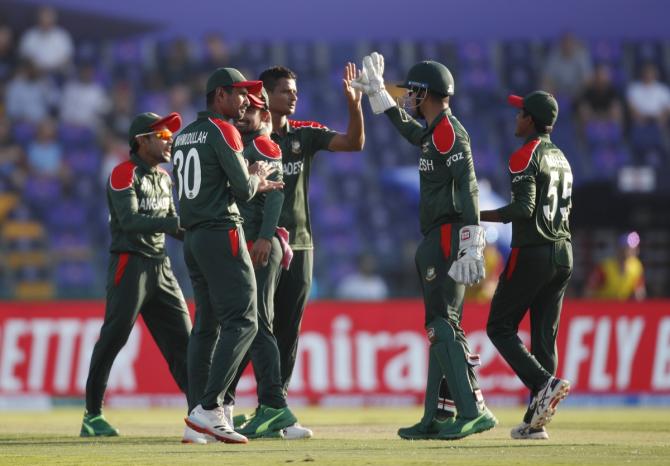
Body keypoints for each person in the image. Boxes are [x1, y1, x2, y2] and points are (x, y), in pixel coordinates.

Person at [353, 52, 496, 440]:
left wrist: (471, 239)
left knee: (441, 325)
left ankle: (471, 409)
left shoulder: (449, 130)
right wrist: (380, 99)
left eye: (412, 92)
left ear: (428, 94)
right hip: (440, 235)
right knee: (443, 326)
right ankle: (437, 415)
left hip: (448, 235)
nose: (408, 98)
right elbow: (413, 134)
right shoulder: (435, 131)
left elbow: (467, 184)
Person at [249, 63, 364, 439]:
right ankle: (249, 403)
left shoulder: (305, 134)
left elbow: (353, 144)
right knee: (256, 324)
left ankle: (274, 407)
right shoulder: (249, 138)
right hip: (262, 244)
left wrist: (354, 106)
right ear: (266, 96)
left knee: (289, 330)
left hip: (301, 244)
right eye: (285, 90)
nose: (294, 95)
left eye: (295, 90)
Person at [175, 67, 283, 444]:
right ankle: (210, 408)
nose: (245, 102)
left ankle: (195, 417)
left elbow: (202, 184)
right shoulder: (225, 130)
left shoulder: (183, 135)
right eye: (239, 94)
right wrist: (255, 176)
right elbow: (244, 189)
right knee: (245, 321)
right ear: (220, 95)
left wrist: (247, 177)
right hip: (223, 233)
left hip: (193, 239)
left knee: (206, 326)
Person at [81, 111, 191, 437]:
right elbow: (128, 221)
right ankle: (92, 415)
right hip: (130, 266)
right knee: (114, 339)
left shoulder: (164, 177)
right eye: (163, 136)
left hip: (161, 266)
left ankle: (202, 412)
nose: (169, 141)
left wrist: (205, 231)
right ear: (142, 140)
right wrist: (173, 225)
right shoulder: (122, 174)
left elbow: (176, 224)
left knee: (185, 344)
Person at [481, 91, 573, 440]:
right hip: (563, 251)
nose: (515, 119)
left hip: (532, 249)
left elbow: (522, 209)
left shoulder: (524, 155)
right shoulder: (562, 158)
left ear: (531, 120)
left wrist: (477, 215)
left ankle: (542, 383)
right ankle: (537, 423)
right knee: (544, 339)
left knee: (499, 327)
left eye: (520, 113)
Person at [213, 87, 298, 440]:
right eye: (244, 108)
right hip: (251, 242)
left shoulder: (264, 145)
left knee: (258, 323)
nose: (245, 114)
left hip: (260, 243)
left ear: (265, 116)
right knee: (254, 324)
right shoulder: (244, 146)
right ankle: (265, 409)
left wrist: (264, 237)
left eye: (253, 110)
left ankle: (275, 406)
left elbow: (276, 192)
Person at [585, 231, 645, 300]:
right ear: (620, 249)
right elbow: (588, 290)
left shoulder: (637, 267)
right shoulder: (605, 267)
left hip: (621, 309)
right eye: (629, 247)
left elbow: (639, 293)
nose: (634, 250)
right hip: (602, 306)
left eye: (635, 248)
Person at [18, 6, 73, 74]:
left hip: (56, 74)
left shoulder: (63, 36)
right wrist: (37, 68)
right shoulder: (30, 35)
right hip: (33, 73)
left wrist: (50, 69)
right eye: (43, 18)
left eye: (48, 17)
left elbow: (67, 59)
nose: (45, 20)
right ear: (38, 19)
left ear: (54, 20)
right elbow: (24, 56)